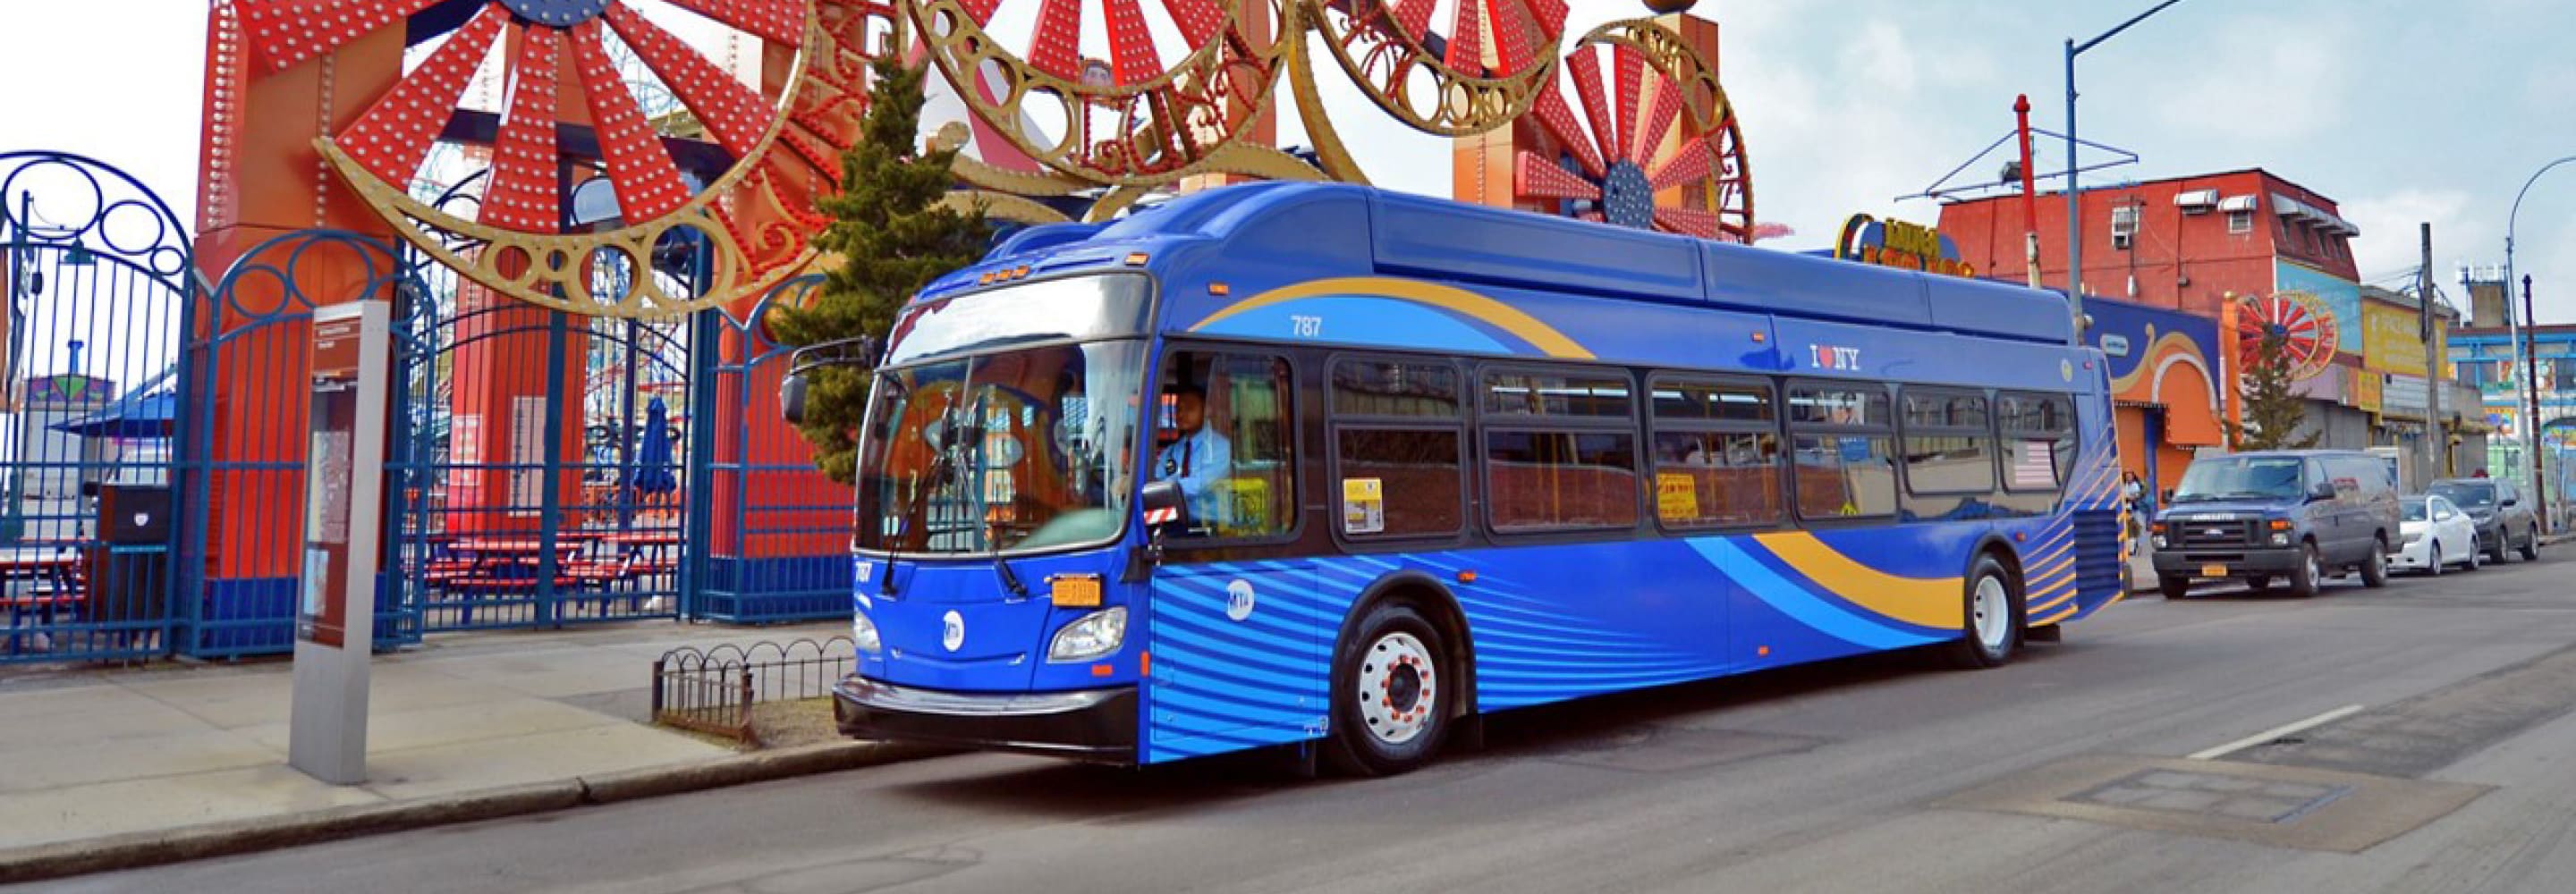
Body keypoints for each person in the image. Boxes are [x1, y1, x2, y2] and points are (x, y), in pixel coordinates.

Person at [1153, 389, 1232, 527]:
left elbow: (1199, 485)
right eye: (1178, 409)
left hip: (1212, 528)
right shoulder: (1172, 451)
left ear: (1207, 410)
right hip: (1175, 524)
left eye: (1189, 408)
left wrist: (1161, 488)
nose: (1181, 414)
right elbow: (1155, 478)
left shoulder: (1220, 447)